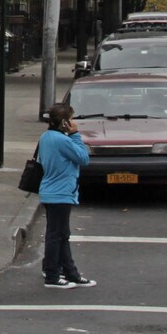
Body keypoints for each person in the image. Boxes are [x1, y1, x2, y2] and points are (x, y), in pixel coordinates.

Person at [38, 100, 96, 289]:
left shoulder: (46, 137)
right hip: (60, 192)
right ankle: (53, 275)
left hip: (51, 190)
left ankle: (69, 272)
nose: (74, 122)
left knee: (60, 234)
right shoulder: (62, 140)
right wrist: (75, 135)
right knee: (57, 235)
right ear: (64, 122)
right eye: (71, 119)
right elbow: (83, 158)